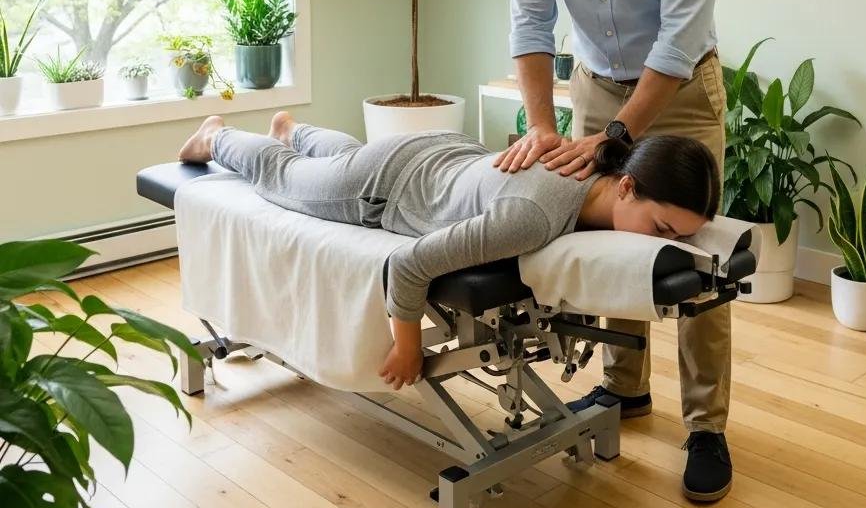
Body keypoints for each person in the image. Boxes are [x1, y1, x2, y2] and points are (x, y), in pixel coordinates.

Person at [495, 0, 732, 502]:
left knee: (694, 259)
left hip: (682, 89)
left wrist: (615, 141)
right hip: (595, 85)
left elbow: (674, 43)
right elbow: (531, 27)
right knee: (605, 242)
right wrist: (544, 127)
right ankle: (622, 390)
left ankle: (706, 427)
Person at [178, 111, 720, 392]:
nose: (665, 245)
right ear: (627, 187)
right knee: (283, 176)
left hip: (441, 155)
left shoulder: (589, 163)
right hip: (387, 183)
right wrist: (407, 345)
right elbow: (409, 264)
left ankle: (293, 128)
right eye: (662, 228)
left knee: (336, 162)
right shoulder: (533, 219)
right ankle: (217, 136)